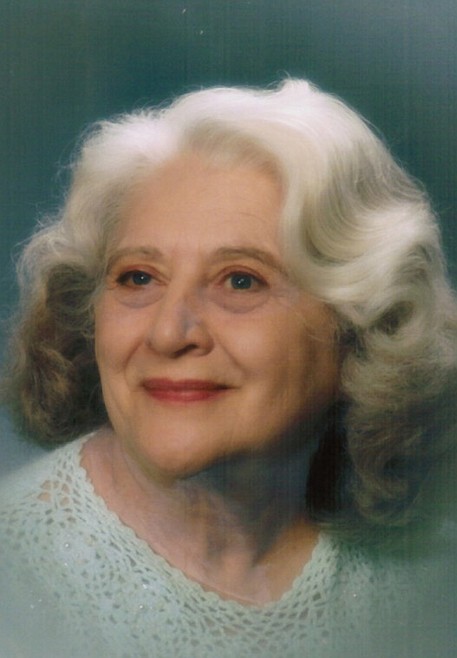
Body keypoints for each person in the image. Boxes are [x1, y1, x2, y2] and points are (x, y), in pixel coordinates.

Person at [0, 79, 456, 657]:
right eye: (138, 277)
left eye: (241, 281)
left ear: (362, 323)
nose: (168, 333)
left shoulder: (433, 577)